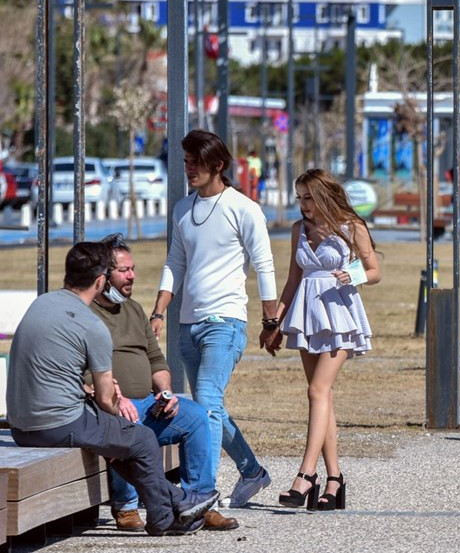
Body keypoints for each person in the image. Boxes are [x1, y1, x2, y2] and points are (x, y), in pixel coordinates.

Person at [7, 242, 217, 536]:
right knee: (140, 439)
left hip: (21, 424)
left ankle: (179, 503)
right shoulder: (92, 326)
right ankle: (165, 518)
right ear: (100, 280)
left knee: (119, 443)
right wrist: (120, 412)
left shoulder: (42, 304)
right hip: (57, 423)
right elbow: (106, 400)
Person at [150, 129, 275, 509]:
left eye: (195, 162)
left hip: (227, 322)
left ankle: (202, 490)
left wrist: (271, 323)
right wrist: (159, 311)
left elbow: (264, 264)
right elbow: (175, 263)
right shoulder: (182, 209)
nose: (188, 168)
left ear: (217, 165)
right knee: (209, 406)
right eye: (185, 161)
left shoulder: (245, 208)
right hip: (188, 323)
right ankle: (251, 471)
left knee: (205, 402)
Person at [89, 234, 238, 532]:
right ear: (103, 276)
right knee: (125, 422)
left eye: (132, 269)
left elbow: (156, 360)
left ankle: (200, 500)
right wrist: (114, 398)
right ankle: (126, 507)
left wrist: (166, 393)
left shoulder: (133, 309)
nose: (132, 275)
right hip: (111, 405)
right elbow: (82, 370)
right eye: (124, 271)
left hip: (148, 402)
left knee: (197, 415)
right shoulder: (87, 313)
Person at [260, 169, 380, 511]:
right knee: (321, 395)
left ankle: (306, 474)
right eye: (299, 197)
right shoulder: (298, 230)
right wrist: (274, 323)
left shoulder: (351, 227)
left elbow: (374, 272)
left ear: (325, 195)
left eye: (309, 197)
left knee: (317, 391)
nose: (303, 204)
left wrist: (351, 275)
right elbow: (292, 280)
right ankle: (335, 480)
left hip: (340, 314)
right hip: (306, 316)